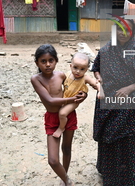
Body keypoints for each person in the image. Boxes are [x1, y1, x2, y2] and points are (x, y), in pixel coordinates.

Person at [91, 18, 135, 185]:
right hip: (108, 98)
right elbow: (96, 70)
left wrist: (129, 89)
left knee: (129, 137)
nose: (122, 33)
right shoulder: (106, 50)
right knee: (108, 136)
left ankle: (129, 177)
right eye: (119, 29)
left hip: (131, 98)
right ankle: (108, 172)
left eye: (127, 30)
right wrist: (100, 83)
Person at [30, 44, 87, 186]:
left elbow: (79, 83)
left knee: (66, 148)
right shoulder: (36, 79)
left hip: (67, 114)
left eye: (51, 60)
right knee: (53, 160)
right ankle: (68, 180)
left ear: (56, 61)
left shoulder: (62, 75)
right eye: (43, 61)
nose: (48, 64)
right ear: (37, 62)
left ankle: (64, 179)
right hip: (52, 118)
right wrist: (72, 99)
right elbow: (49, 100)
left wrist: (84, 94)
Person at [53, 52, 104, 138]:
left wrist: (100, 91)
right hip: (65, 96)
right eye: (75, 67)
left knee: (62, 113)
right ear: (70, 66)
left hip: (74, 100)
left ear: (87, 69)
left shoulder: (85, 78)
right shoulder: (67, 74)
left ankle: (61, 128)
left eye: (82, 69)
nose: (78, 71)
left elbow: (96, 84)